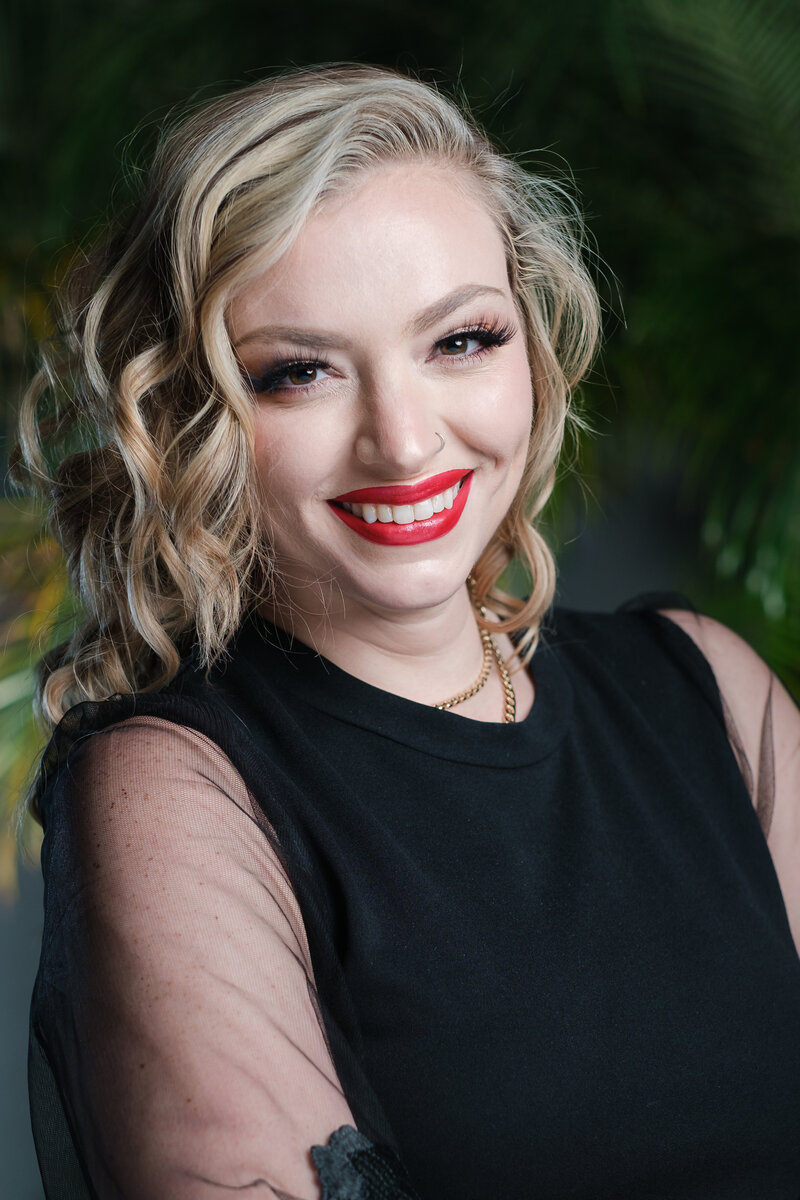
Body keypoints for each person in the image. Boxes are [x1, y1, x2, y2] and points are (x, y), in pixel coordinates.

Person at [13, 63, 800, 1200]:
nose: (402, 440)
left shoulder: (711, 694)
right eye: (300, 372)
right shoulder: (176, 785)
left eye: (459, 341)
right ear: (190, 413)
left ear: (529, 342)